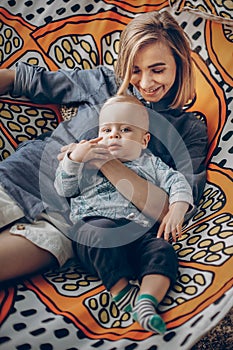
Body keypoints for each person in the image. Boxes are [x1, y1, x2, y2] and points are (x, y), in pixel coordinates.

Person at [0, 10, 208, 283]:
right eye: (135, 70)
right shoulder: (103, 82)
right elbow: (28, 80)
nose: (145, 83)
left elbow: (171, 208)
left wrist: (105, 163)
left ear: (179, 64)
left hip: (68, 223)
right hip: (22, 177)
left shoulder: (188, 130)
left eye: (157, 70)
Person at [54, 94, 193, 333]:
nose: (113, 135)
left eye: (126, 129)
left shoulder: (152, 163)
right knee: (100, 233)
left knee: (163, 251)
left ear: (144, 140)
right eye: (106, 129)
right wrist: (74, 158)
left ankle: (147, 301)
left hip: (137, 233)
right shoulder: (87, 163)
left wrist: (178, 208)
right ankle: (123, 292)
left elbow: (177, 182)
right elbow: (64, 188)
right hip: (95, 228)